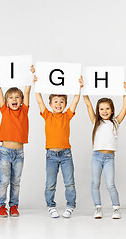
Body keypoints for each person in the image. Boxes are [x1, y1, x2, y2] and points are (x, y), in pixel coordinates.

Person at [33, 74, 83, 218]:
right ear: (50, 104)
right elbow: (39, 100)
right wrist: (37, 85)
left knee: (69, 182)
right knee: (50, 183)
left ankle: (70, 205)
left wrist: (78, 88)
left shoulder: (67, 115)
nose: (58, 104)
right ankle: (51, 205)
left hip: (66, 154)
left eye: (61, 101)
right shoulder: (47, 115)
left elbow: (75, 101)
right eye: (55, 101)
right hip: (51, 155)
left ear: (65, 104)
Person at [0, 65, 34, 217]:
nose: (14, 99)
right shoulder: (4, 110)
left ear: (21, 100)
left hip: (19, 153)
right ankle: (0, 206)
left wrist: (30, 75)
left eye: (17, 97)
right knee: (4, 181)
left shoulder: (24, 110)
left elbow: (27, 90)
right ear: (6, 101)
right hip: (5, 152)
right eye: (11, 97)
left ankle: (14, 206)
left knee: (16, 181)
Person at [83, 82, 126, 219]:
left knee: (110, 184)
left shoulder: (115, 122)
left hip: (109, 158)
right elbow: (88, 105)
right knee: (95, 183)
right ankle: (98, 207)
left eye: (107, 109)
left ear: (112, 110)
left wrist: (125, 92)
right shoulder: (95, 121)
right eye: (101, 109)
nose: (104, 111)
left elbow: (125, 107)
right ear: (98, 111)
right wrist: (83, 89)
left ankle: (116, 208)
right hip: (96, 157)